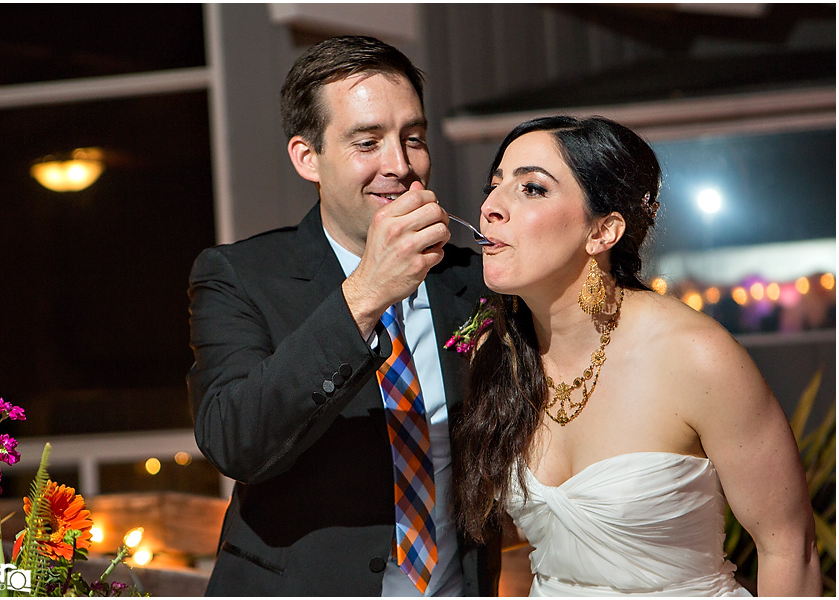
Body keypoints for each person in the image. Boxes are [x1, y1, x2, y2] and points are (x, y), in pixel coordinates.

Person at [453, 115, 822, 596]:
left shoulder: (695, 356)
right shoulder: (498, 354)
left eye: (532, 189)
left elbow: (789, 548)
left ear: (603, 231)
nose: (490, 208)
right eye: (495, 184)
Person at [187, 36, 499, 596]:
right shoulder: (239, 274)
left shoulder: (473, 280)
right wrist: (367, 293)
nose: (400, 166)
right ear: (308, 157)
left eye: (413, 139)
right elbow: (235, 441)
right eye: (367, 142)